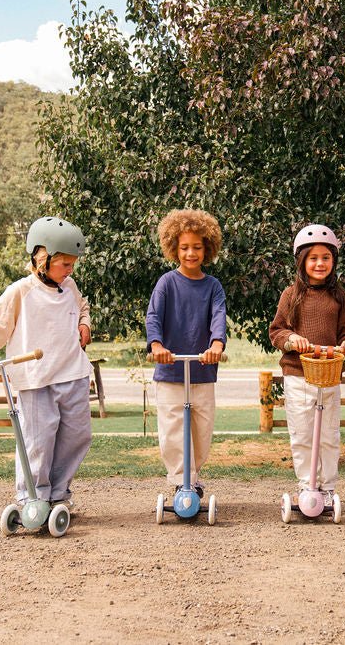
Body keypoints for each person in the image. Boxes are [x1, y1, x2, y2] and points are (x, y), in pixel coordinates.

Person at [0, 216, 93, 510]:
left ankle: (58, 494)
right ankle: (32, 500)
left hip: (73, 373)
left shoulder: (69, 286)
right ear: (41, 258)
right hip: (36, 380)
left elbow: (81, 306)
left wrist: (84, 323)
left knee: (77, 437)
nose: (70, 270)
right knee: (37, 443)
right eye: (65, 264)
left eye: (73, 264)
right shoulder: (20, 292)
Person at [269, 224, 345, 505]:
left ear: (333, 261)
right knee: (302, 433)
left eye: (325, 258)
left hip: (329, 374)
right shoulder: (290, 295)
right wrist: (292, 338)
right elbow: (277, 331)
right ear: (301, 261)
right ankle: (306, 485)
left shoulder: (339, 297)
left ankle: (328, 487)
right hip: (298, 374)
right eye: (313, 258)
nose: (319, 263)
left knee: (329, 435)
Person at [145, 209, 227, 497]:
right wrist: (156, 346)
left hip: (203, 368)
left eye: (196, 247)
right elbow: (153, 316)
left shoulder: (213, 286)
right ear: (173, 249)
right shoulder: (166, 283)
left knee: (201, 430)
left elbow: (219, 316)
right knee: (172, 428)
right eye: (184, 248)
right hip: (170, 369)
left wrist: (217, 344)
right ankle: (183, 481)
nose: (190, 253)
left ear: (207, 248)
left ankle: (194, 475)